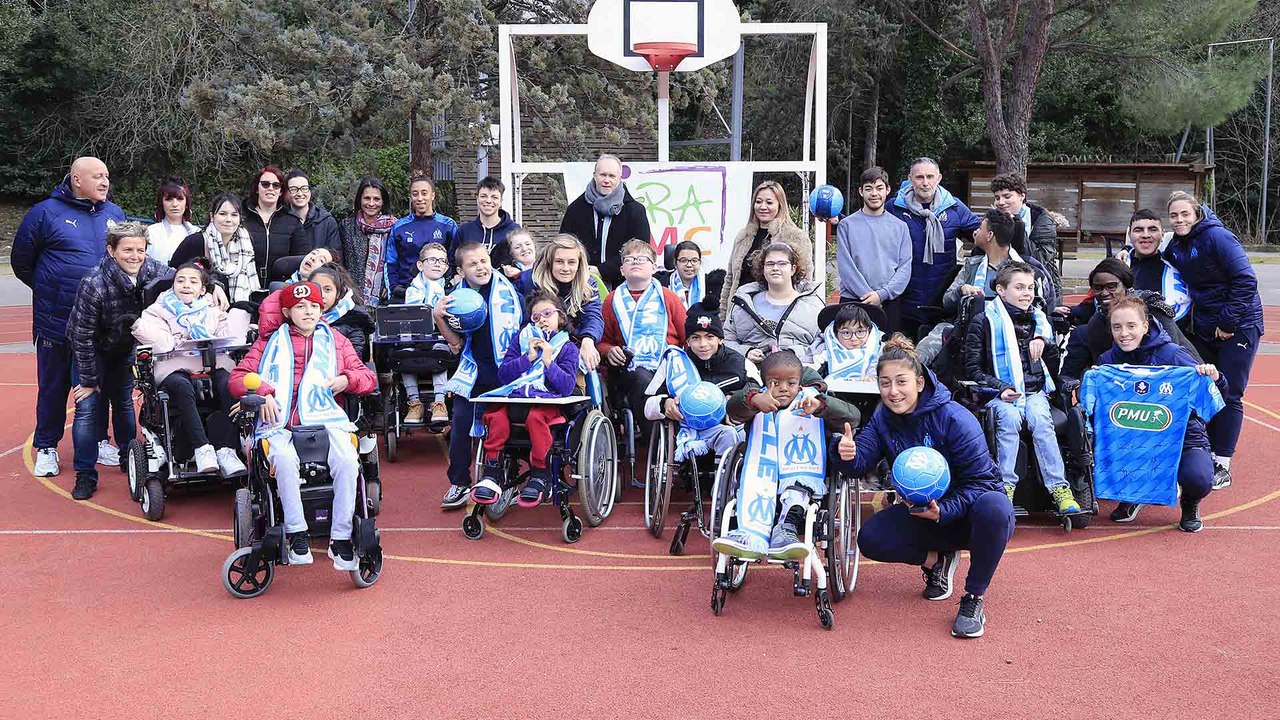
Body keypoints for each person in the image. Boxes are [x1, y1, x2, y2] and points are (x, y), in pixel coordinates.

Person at [835, 335, 1015, 639]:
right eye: (885, 383)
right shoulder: (883, 418)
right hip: (923, 514)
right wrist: (844, 452)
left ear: (919, 382)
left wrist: (944, 510)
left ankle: (973, 599)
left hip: (969, 516)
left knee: (996, 507)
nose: (893, 392)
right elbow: (860, 460)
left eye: (901, 382)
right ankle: (938, 561)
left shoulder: (955, 418)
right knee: (871, 539)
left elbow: (985, 483)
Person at [229, 281, 378, 570]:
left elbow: (366, 377)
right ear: (287, 311)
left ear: (321, 309)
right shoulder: (267, 342)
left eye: (313, 306)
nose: (308, 311)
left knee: (348, 461)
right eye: (300, 307)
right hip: (280, 423)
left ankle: (341, 538)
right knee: (283, 460)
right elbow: (238, 378)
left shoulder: (336, 341)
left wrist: (347, 379)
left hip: (327, 421)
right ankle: (297, 534)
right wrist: (262, 392)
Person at [13, 156, 127, 478]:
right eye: (97, 177)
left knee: (96, 384)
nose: (105, 182)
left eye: (107, 176)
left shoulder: (114, 214)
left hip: (99, 322)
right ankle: (47, 446)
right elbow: (22, 262)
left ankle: (99, 440)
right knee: (54, 386)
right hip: (56, 320)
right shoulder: (44, 213)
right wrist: (52, 288)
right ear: (77, 179)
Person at [1089, 295, 1226, 531]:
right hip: (1133, 442)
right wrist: (1092, 382)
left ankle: (1190, 502)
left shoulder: (1173, 355)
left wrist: (1214, 377)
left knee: (1199, 477)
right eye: (1117, 327)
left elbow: (1215, 395)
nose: (1124, 333)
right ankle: (1132, 495)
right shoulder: (1107, 364)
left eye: (1131, 326)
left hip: (1183, 438)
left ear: (1145, 325)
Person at [714, 350, 860, 560]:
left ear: (800, 383)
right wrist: (754, 401)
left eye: (791, 383)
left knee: (797, 489)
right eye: (775, 383)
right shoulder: (756, 397)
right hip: (764, 472)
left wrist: (821, 407)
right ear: (765, 382)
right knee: (749, 479)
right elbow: (733, 408)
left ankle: (786, 528)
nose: (783, 389)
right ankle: (748, 534)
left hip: (800, 476)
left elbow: (853, 416)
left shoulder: (812, 399)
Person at [66, 221, 174, 499]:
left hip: (125, 347)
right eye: (127, 249)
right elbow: (81, 335)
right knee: (88, 407)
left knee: (124, 401)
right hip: (92, 348)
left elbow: (186, 276)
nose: (134, 256)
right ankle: (86, 474)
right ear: (111, 250)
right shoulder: (94, 283)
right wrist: (89, 380)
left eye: (140, 250)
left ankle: (130, 457)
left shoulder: (152, 270)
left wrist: (214, 285)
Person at [1163, 191, 1264, 490]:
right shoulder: (1177, 245)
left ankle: (1223, 463)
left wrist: (1228, 322)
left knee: (1230, 392)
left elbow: (1246, 279)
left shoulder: (1217, 237)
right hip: (1206, 326)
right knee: (1204, 386)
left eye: (1185, 214)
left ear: (1197, 214)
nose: (1180, 220)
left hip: (1239, 324)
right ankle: (1202, 453)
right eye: (1174, 215)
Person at [963, 263, 1078, 513]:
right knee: (1010, 418)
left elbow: (1053, 369)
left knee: (1041, 421)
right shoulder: (984, 321)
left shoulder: (1041, 322)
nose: (1027, 293)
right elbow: (973, 369)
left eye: (1030, 287)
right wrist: (1001, 388)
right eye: (1019, 287)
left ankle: (1060, 489)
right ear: (1001, 290)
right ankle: (1005, 487)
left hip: (1034, 391)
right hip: (997, 393)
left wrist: (1045, 343)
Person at [131, 262, 246, 476]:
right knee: (182, 387)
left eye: (193, 281)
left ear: (203, 289)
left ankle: (227, 449)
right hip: (173, 365)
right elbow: (164, 344)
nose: (186, 285)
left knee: (230, 384)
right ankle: (202, 448)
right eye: (180, 280)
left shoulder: (213, 311)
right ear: (173, 285)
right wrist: (181, 339)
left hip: (211, 362)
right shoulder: (157, 310)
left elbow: (227, 337)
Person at [434, 241, 524, 508]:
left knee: (507, 424)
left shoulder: (510, 289)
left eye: (484, 261)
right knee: (460, 422)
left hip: (507, 370)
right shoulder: (455, 298)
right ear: (460, 271)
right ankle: (459, 482)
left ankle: (509, 477)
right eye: (472, 264)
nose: (481, 267)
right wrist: (438, 317)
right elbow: (456, 344)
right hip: (474, 370)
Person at [472, 293, 581, 507]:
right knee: (496, 415)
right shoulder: (521, 341)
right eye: (536, 316)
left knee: (535, 418)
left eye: (547, 314)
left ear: (560, 317)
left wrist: (549, 361)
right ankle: (492, 471)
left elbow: (567, 386)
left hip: (546, 402)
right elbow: (503, 376)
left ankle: (541, 474)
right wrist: (528, 358)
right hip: (516, 397)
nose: (541, 319)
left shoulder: (568, 348)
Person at [1059, 258, 1201, 384]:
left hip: (1171, 376)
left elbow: (1172, 353)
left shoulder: (1151, 308)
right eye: (1098, 288)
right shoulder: (1096, 323)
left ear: (1125, 285)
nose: (1104, 293)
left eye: (1111, 286)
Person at [599, 239, 687, 438]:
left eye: (642, 259)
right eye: (629, 259)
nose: (635, 262)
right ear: (622, 270)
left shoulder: (668, 297)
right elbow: (602, 341)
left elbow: (686, 336)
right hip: (628, 371)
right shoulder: (612, 300)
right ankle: (653, 440)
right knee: (642, 378)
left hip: (667, 369)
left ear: (654, 267)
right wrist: (609, 351)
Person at [642, 310, 756, 461]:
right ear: (687, 341)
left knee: (737, 433)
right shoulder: (674, 363)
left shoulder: (740, 363)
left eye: (710, 337)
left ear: (720, 339)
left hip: (731, 425)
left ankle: (730, 480)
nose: (703, 344)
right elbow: (647, 405)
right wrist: (665, 404)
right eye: (695, 338)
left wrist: (735, 401)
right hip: (690, 431)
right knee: (727, 434)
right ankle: (718, 481)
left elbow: (757, 392)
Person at [888, 157, 982, 339]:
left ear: (939, 178)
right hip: (904, 299)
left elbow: (983, 236)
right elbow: (869, 224)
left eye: (930, 177)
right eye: (919, 177)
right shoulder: (894, 207)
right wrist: (841, 221)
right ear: (910, 178)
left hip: (941, 300)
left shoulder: (954, 207)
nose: (925, 182)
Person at [719, 180, 812, 318]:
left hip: (777, 314)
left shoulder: (796, 237)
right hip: (739, 313)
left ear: (780, 205)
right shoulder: (743, 236)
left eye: (769, 202)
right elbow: (730, 278)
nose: (762, 207)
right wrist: (723, 315)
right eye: (758, 202)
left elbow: (804, 280)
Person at [836, 166, 912, 334]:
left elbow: (905, 268)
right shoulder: (846, 225)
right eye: (868, 189)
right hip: (852, 300)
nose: (874, 193)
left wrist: (881, 295)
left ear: (888, 190)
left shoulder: (900, 227)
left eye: (879, 188)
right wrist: (868, 295)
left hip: (888, 302)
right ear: (861, 191)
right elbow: (845, 267)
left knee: (885, 353)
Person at [513, 234, 605, 372]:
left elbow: (593, 316)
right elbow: (519, 321)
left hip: (571, 348)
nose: (566, 268)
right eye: (559, 261)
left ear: (579, 264)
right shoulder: (528, 282)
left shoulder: (588, 285)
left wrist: (588, 339)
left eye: (572, 262)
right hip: (534, 347)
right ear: (550, 262)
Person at [559, 154, 652, 288]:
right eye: (603, 175)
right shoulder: (575, 209)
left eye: (612, 176)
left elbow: (641, 251)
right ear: (594, 175)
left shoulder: (635, 211)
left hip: (623, 285)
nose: (606, 180)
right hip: (580, 283)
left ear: (620, 178)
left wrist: (603, 271)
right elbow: (563, 246)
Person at [724, 242, 824, 365]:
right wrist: (745, 352)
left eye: (782, 263)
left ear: (793, 269)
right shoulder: (743, 302)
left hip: (800, 373)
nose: (775, 268)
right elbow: (725, 341)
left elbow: (823, 344)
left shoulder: (814, 305)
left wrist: (795, 356)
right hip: (750, 374)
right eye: (770, 264)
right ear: (763, 269)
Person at [942, 208, 1059, 314]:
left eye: (980, 228)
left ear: (990, 235)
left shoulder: (1028, 269)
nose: (975, 232)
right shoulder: (972, 265)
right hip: (974, 331)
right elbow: (946, 302)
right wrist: (962, 290)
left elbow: (1044, 307)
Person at [169, 193, 261, 304]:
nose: (228, 219)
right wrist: (211, 286)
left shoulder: (246, 244)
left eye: (234, 215)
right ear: (212, 216)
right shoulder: (195, 242)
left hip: (237, 305)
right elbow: (174, 274)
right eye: (223, 214)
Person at [400, 243, 452, 425]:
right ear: (421, 265)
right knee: (403, 354)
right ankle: (414, 403)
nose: (438, 264)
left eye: (442, 261)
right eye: (432, 260)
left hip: (440, 337)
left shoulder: (451, 289)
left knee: (441, 352)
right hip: (413, 338)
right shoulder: (411, 290)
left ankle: (440, 401)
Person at [386, 175, 458, 296]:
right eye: (415, 194)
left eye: (424, 193)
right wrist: (394, 288)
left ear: (433, 195)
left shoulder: (448, 226)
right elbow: (391, 262)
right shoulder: (399, 227)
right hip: (406, 292)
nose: (420, 198)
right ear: (410, 197)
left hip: (440, 293)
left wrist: (448, 285)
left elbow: (454, 260)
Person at [990, 172, 1062, 291]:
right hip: (1003, 283)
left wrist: (1017, 226)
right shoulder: (993, 220)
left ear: (1022, 196)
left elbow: (1039, 259)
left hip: (1039, 286)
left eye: (1007, 197)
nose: (1001, 202)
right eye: (997, 198)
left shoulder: (1042, 220)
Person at [241, 165, 308, 285]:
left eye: (276, 185)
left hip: (280, 289)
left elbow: (301, 260)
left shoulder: (292, 222)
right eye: (265, 184)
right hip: (244, 286)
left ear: (281, 191)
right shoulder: (242, 218)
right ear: (257, 188)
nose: (270, 188)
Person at [1125, 209, 1191, 330]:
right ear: (1130, 235)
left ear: (1162, 234)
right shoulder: (1117, 266)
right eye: (1138, 230)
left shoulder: (1178, 266)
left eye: (1153, 229)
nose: (1145, 235)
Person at [339, 177, 397, 305]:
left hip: (384, 298)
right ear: (360, 199)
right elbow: (341, 261)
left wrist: (390, 286)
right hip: (351, 297)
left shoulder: (394, 228)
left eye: (376, 199)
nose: (371, 203)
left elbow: (397, 261)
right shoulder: (347, 226)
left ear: (383, 202)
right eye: (367, 198)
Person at [453, 176, 521, 270]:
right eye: (484, 196)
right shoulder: (464, 231)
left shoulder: (514, 230)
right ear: (477, 199)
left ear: (501, 201)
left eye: (494, 197)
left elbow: (521, 262)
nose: (488, 201)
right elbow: (454, 263)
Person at [808, 302, 886, 381]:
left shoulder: (881, 351)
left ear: (869, 331)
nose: (854, 338)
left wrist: (874, 379)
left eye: (860, 332)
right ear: (836, 334)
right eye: (846, 333)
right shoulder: (823, 351)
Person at [284, 170, 342, 259]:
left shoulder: (327, 222)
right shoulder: (280, 220)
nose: (300, 193)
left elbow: (335, 256)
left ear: (310, 192)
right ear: (287, 193)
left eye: (304, 188)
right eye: (294, 189)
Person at [145, 177, 200, 265]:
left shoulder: (197, 233)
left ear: (186, 203)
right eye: (169, 199)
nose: (175, 204)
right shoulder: (150, 232)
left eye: (180, 199)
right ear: (161, 203)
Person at [663, 240, 723, 312]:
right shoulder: (662, 286)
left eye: (694, 261)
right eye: (684, 260)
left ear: (700, 262)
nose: (689, 265)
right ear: (675, 263)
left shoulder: (713, 286)